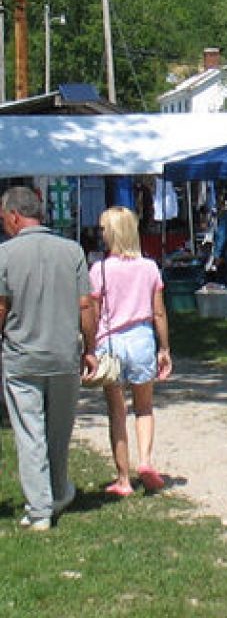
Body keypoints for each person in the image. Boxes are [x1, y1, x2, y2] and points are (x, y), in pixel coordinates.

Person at [0, 185, 97, 531]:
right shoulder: (72, 251)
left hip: (21, 356)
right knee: (58, 431)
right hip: (64, 355)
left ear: (14, 216)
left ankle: (40, 509)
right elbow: (86, 305)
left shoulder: (4, 255)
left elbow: (1, 306)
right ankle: (58, 491)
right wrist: (90, 348)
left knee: (30, 433)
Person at [90, 206, 173, 496]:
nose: (100, 233)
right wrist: (164, 348)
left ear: (111, 233)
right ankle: (146, 461)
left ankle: (123, 478)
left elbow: (95, 312)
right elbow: (159, 312)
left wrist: (88, 347)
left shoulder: (99, 269)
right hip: (141, 339)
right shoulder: (149, 268)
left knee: (116, 411)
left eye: (103, 229)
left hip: (110, 342)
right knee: (144, 406)